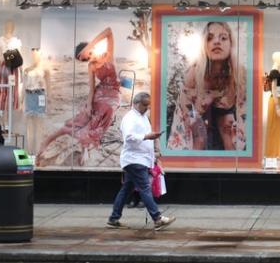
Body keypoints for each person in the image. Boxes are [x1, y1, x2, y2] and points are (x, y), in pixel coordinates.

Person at [38, 28, 121, 165]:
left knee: (105, 110)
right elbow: (92, 88)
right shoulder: (92, 66)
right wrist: (88, 104)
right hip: (100, 93)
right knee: (83, 116)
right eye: (86, 59)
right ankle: (49, 141)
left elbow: (109, 32)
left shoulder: (108, 55)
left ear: (90, 48)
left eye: (87, 56)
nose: (89, 59)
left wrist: (88, 46)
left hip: (113, 94)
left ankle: (85, 145)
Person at [168, 21, 247, 152]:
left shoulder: (239, 74)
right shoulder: (193, 74)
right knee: (198, 134)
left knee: (229, 129)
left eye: (223, 38)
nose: (216, 42)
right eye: (210, 38)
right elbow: (186, 113)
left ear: (231, 44)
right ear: (204, 46)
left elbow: (243, 112)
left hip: (225, 116)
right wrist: (198, 116)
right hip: (196, 116)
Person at [106, 92, 175, 230]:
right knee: (145, 188)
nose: (147, 108)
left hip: (140, 159)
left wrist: (152, 144)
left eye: (148, 105)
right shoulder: (130, 118)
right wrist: (147, 136)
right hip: (134, 159)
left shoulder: (142, 117)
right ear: (136, 103)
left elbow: (143, 136)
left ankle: (114, 218)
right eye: (144, 105)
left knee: (126, 190)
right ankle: (157, 218)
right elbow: (129, 137)